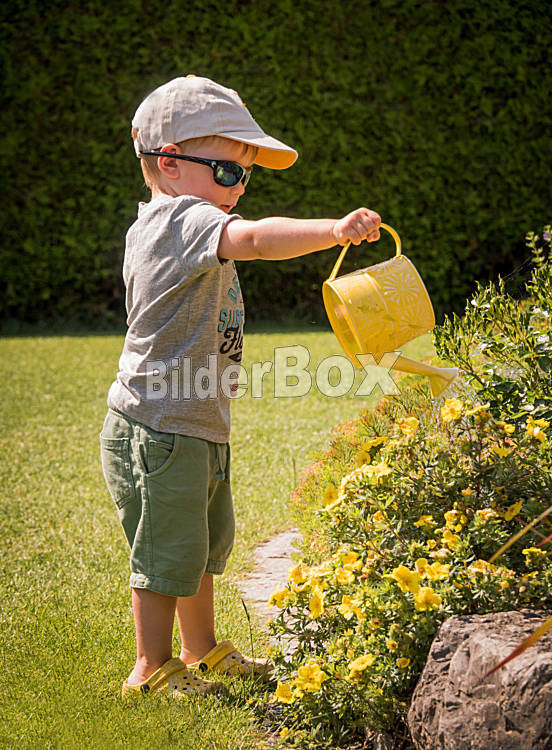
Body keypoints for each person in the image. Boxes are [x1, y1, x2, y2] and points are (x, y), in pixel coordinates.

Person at [100, 74, 381, 698]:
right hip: (160, 426)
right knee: (165, 554)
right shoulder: (179, 220)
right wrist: (334, 230)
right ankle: (150, 669)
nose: (239, 188)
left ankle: (200, 651)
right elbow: (254, 239)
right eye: (228, 172)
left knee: (197, 547)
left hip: (192, 423)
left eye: (245, 176)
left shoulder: (185, 222)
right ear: (170, 163)